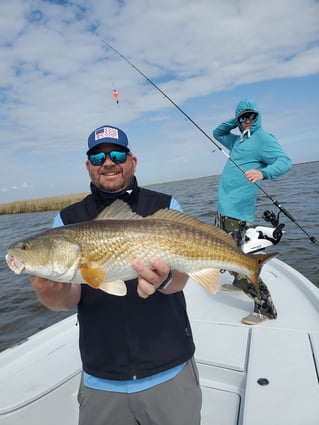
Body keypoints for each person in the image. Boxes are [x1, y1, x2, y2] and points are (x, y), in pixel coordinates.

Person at [30, 125, 202, 425]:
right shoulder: (66, 221)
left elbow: (182, 279)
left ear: (132, 161)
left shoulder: (165, 206)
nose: (108, 162)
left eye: (117, 154)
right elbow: (68, 300)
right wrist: (50, 292)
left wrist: (164, 281)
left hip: (169, 366)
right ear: (88, 167)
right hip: (102, 376)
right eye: (97, 157)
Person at [213, 99, 292, 325]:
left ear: (258, 116)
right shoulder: (238, 141)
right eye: (243, 117)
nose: (247, 121)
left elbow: (285, 162)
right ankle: (239, 284)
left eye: (251, 116)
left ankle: (265, 308)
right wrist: (236, 121)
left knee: (235, 258)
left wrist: (262, 173)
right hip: (223, 208)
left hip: (237, 210)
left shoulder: (262, 139)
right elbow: (217, 132)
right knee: (229, 249)